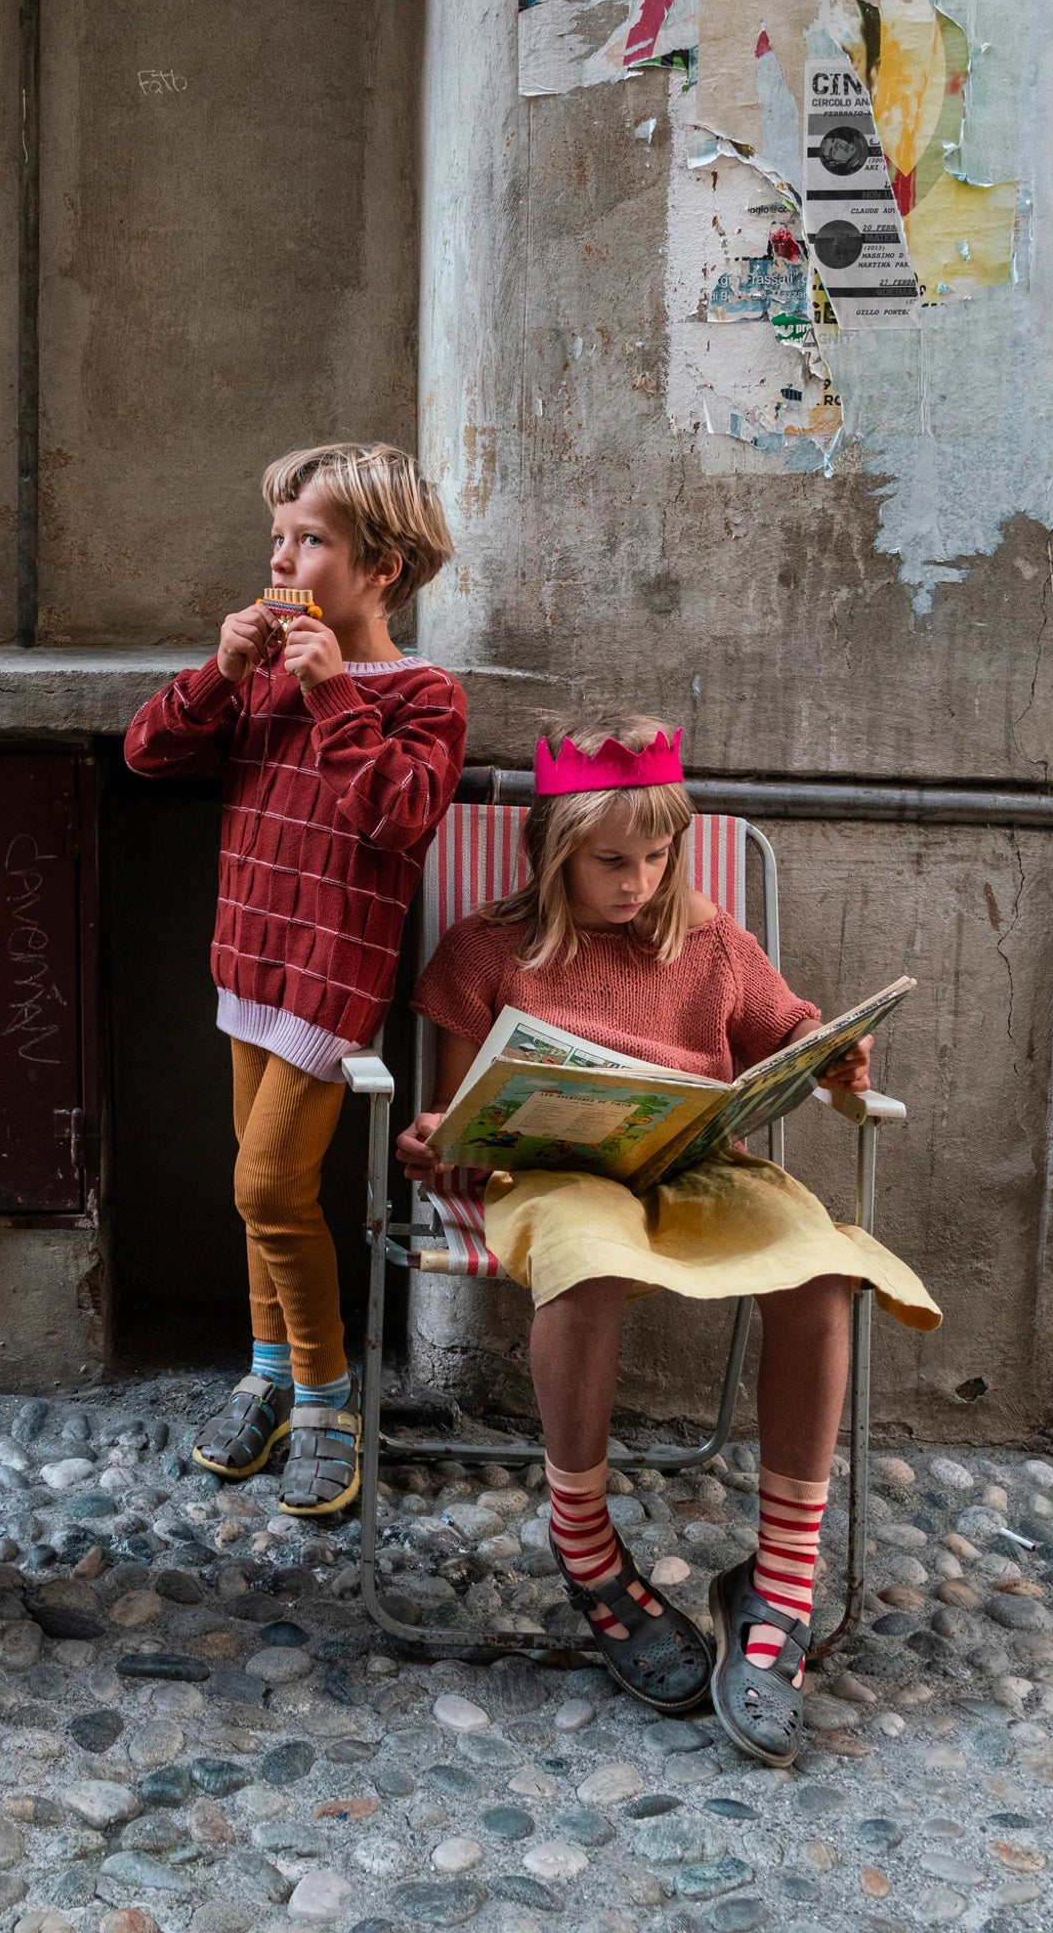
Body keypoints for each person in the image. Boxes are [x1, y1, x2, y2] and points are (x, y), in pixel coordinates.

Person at [396, 713, 939, 1765]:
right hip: (550, 1176)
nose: (637, 879)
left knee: (819, 1270)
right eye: (610, 859)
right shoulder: (486, 949)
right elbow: (446, 1108)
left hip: (695, 1164)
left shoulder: (712, 942)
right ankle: (586, 1544)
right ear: (555, 846)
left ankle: (778, 1579)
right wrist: (437, 1140)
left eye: (656, 856)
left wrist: (832, 1058)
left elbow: (789, 1026)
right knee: (587, 1267)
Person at [125, 443, 465, 1516]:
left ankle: (323, 1395)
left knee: (268, 1187)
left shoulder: (422, 695)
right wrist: (221, 672)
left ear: (384, 569)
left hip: (330, 980)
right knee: (260, 1198)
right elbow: (146, 753)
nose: (280, 559)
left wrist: (328, 693)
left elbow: (394, 816)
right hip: (249, 962)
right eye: (276, 536)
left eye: (308, 540)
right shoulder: (260, 673)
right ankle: (268, 1373)